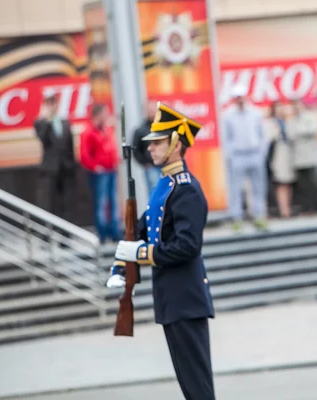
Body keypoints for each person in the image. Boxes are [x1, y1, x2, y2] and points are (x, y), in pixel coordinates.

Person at [106, 102, 216, 400]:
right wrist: (120, 261)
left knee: (198, 388)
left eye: (157, 143)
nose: (151, 149)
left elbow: (187, 246)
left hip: (186, 297)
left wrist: (139, 255)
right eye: (151, 143)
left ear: (176, 144)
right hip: (170, 298)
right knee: (189, 387)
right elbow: (140, 230)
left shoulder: (186, 188)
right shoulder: (165, 186)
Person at [221, 85, 269, 231]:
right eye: (237, 97)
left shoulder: (255, 113)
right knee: (235, 188)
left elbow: (262, 134)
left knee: (258, 187)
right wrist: (230, 155)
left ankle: (259, 216)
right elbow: (226, 137)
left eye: (241, 96)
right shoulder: (228, 115)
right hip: (238, 155)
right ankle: (237, 218)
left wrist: (261, 152)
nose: (239, 100)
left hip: (254, 153)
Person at [79, 104, 121, 243]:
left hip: (111, 170)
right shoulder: (88, 132)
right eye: (105, 113)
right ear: (98, 114)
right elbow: (84, 155)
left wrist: (115, 161)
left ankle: (114, 231)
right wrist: (95, 166)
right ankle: (102, 233)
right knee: (101, 202)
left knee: (113, 201)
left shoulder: (106, 129)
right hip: (100, 173)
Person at [33, 94, 76, 218]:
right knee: (49, 202)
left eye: (54, 103)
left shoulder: (65, 123)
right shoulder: (40, 123)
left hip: (65, 168)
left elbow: (70, 145)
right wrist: (47, 120)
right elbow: (43, 138)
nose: (52, 107)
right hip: (50, 169)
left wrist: (71, 164)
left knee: (66, 202)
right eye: (49, 104)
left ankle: (66, 230)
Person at [132, 100, 162, 195]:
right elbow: (136, 150)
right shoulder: (140, 131)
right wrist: (144, 163)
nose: (152, 113)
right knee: (154, 192)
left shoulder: (164, 128)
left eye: (154, 111)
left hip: (165, 166)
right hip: (151, 167)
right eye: (150, 111)